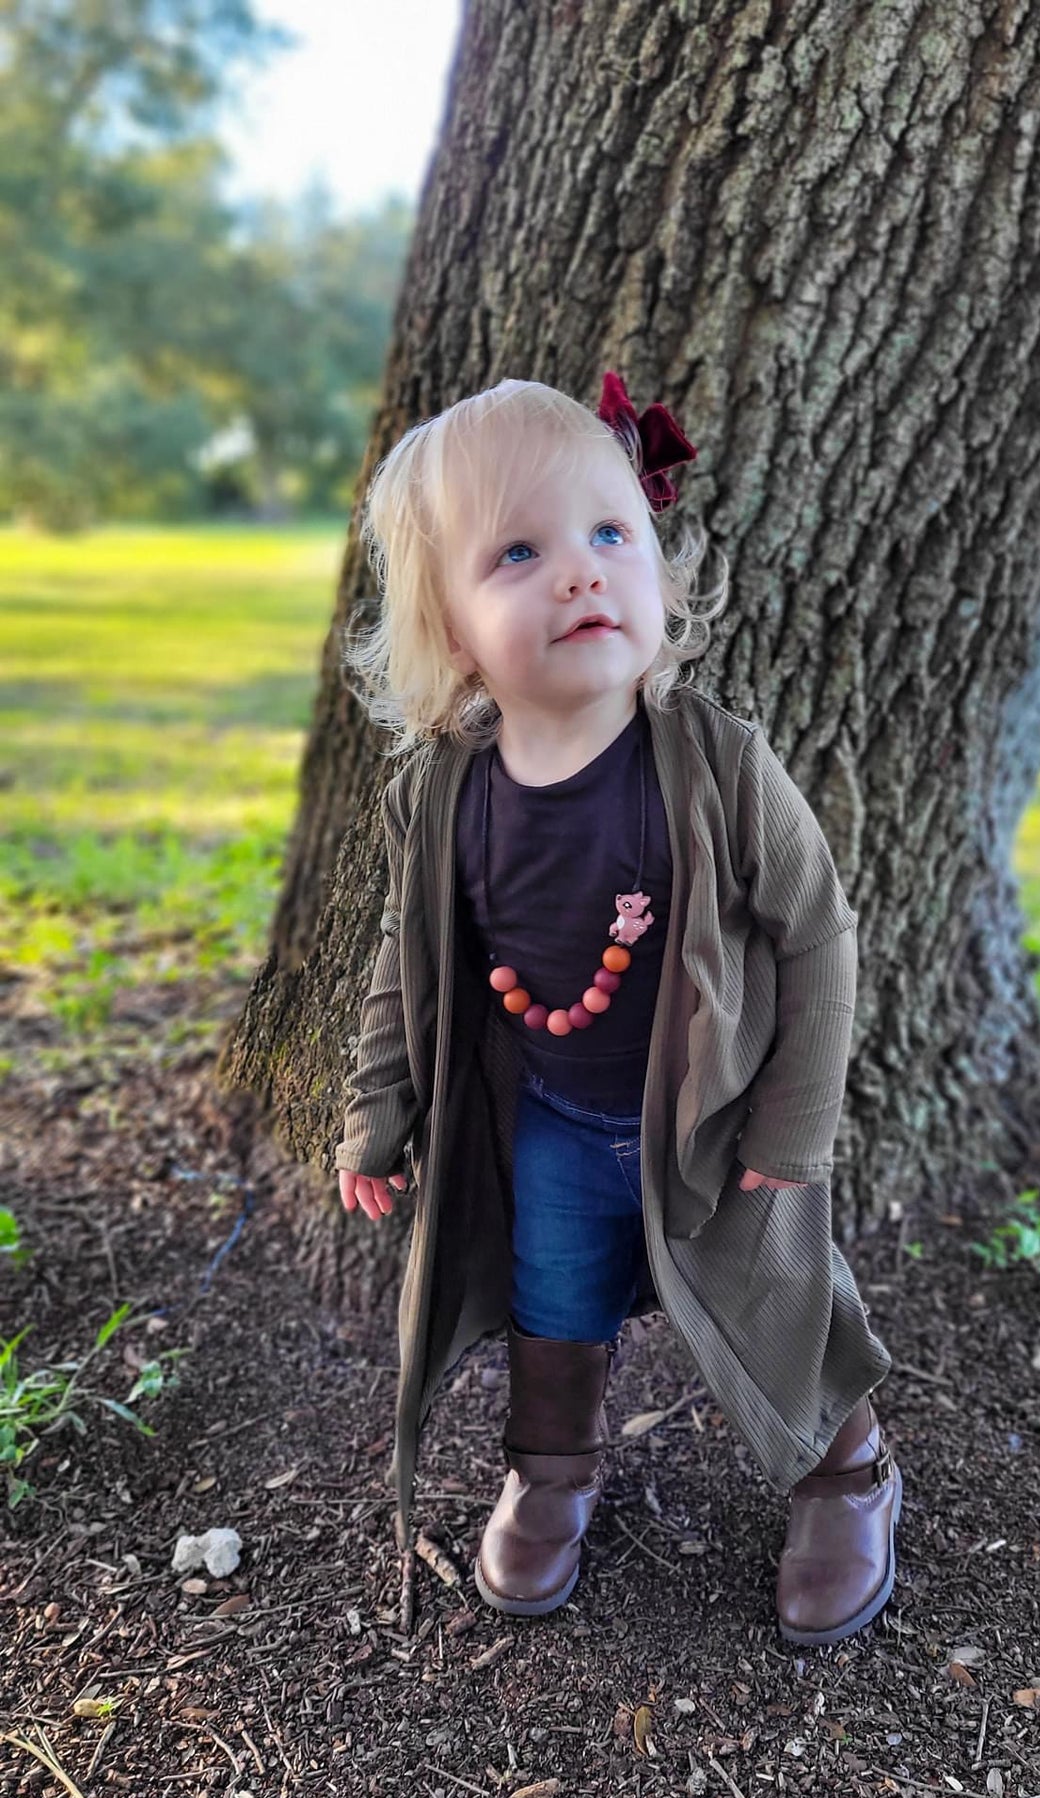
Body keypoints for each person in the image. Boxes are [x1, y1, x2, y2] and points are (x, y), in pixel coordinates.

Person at [334, 373, 900, 1645]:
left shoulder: (713, 763)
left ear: (654, 565)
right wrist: (377, 1114)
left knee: (775, 1299)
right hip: (549, 1113)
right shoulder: (447, 795)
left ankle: (845, 1467)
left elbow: (816, 934)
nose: (581, 572)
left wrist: (792, 1128)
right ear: (452, 630)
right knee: (553, 1294)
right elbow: (405, 961)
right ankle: (550, 1470)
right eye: (518, 553)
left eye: (608, 534)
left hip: (714, 1124)